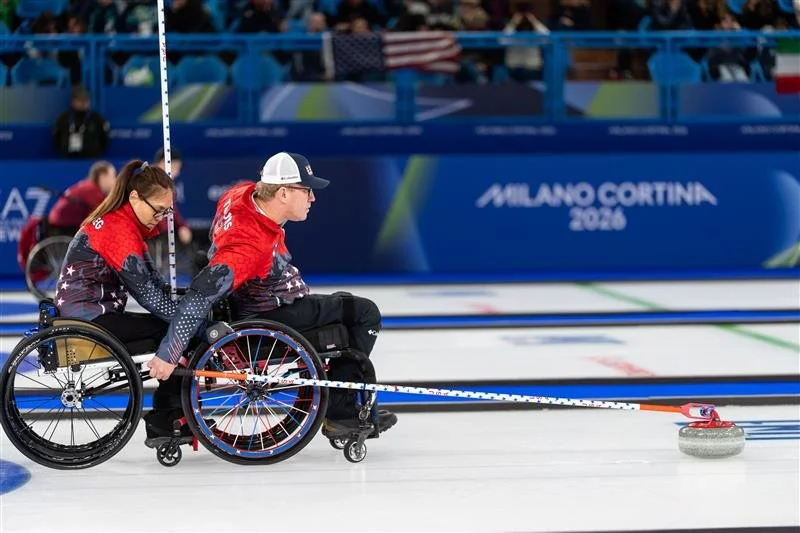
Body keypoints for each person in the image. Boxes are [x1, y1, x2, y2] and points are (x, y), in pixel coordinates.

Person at [146, 151, 398, 439]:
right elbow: (199, 297)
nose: (312, 199)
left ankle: (342, 407)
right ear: (282, 193)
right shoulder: (247, 248)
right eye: (306, 191)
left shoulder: (238, 194)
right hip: (270, 314)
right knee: (364, 313)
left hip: (265, 298)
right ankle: (342, 413)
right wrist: (168, 353)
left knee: (345, 301)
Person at [54, 159, 187, 440]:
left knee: (174, 324)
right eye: (158, 210)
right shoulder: (118, 232)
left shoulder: (124, 223)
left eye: (166, 213)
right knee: (174, 331)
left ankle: (170, 413)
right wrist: (188, 319)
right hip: (89, 318)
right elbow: (149, 296)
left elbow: (154, 281)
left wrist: (186, 299)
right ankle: (165, 418)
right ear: (135, 197)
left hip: (91, 311)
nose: (160, 219)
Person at [48, 160, 117, 235]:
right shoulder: (92, 190)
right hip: (65, 223)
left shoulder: (89, 185)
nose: (115, 180)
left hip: (62, 220)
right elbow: (102, 213)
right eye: (113, 176)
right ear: (103, 176)